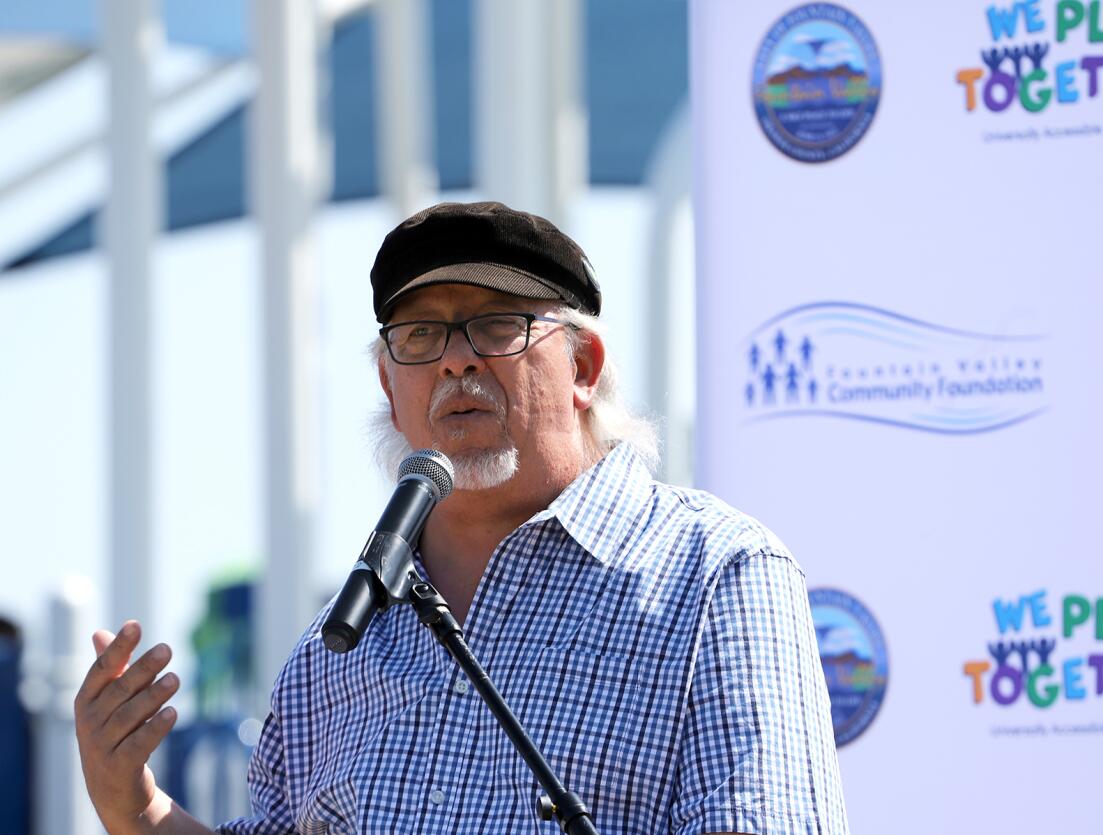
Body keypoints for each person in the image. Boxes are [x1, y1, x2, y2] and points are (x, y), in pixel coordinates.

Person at [75, 201, 850, 834]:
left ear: (582, 366)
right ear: (389, 384)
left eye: (495, 324)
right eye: (421, 336)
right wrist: (135, 809)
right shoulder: (336, 645)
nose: (455, 360)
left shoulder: (715, 575)